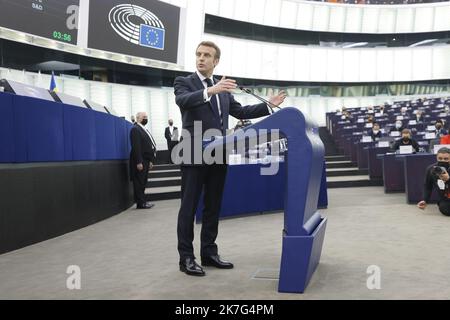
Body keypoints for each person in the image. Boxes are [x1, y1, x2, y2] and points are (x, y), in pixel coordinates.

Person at [173, 41, 286, 276]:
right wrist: (210, 91)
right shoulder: (184, 82)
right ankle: (186, 258)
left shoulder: (222, 89)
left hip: (218, 153)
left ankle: (209, 253)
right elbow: (183, 101)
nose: (201, 58)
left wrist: (268, 106)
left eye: (207, 56)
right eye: (198, 54)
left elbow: (241, 112)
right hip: (194, 153)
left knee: (213, 207)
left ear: (216, 62)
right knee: (188, 207)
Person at [129, 112, 157, 210]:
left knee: (143, 182)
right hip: (140, 161)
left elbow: (147, 145)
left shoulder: (143, 129)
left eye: (146, 117)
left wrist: (150, 160)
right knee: (139, 182)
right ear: (138, 118)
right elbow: (136, 147)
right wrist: (139, 162)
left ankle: (143, 202)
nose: (146, 119)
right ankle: (140, 203)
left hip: (146, 160)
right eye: (144, 117)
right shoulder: (135, 129)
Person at [417, 147, 450, 216]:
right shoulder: (431, 169)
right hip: (445, 198)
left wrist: (448, 179)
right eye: (440, 158)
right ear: (436, 158)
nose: (443, 160)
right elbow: (427, 186)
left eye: (446, 159)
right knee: (444, 209)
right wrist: (424, 200)